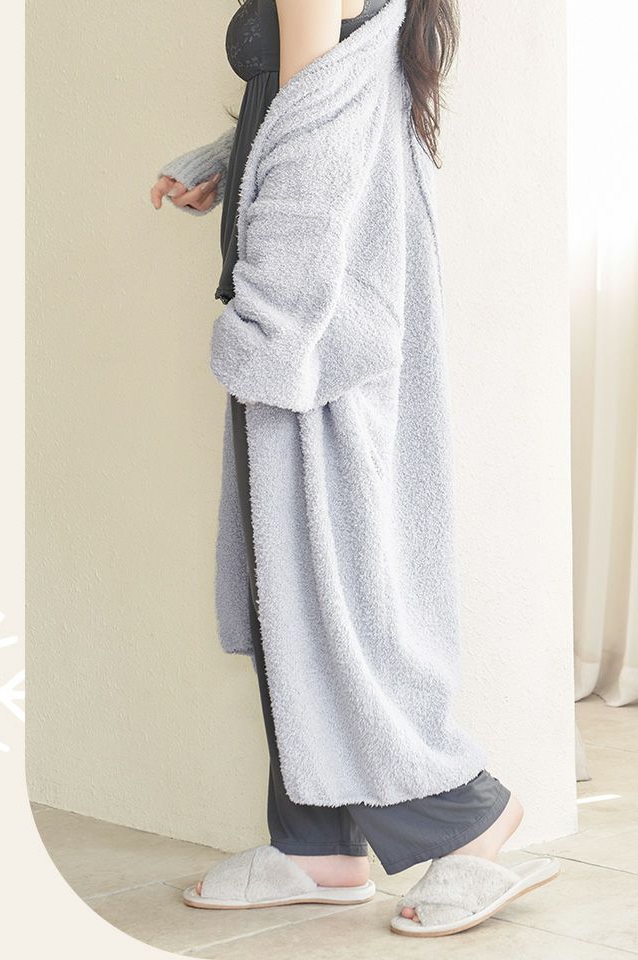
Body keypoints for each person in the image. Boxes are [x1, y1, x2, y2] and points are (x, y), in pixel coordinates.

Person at [150, 0, 558, 938]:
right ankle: (315, 845)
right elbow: (317, 99)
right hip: (334, 316)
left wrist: (268, 326)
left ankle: (466, 815)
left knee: (328, 591)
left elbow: (317, 143)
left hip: (312, 330)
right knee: (292, 588)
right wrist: (223, 160)